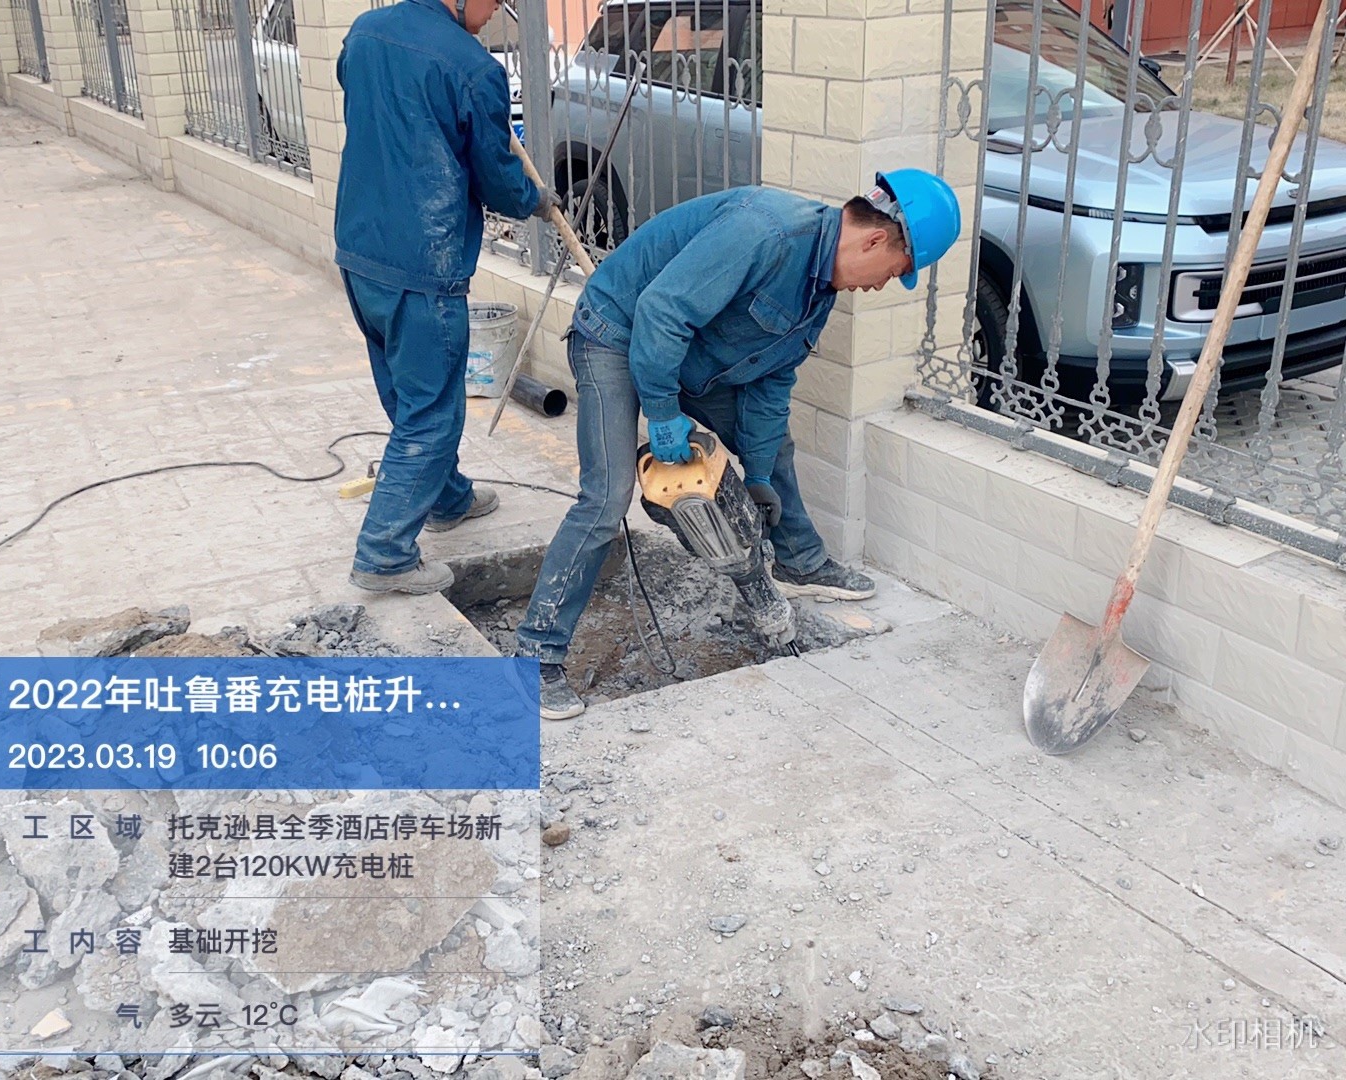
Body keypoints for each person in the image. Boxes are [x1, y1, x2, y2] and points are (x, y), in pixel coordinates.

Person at [515, 174, 962, 719]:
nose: (881, 286)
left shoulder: (817, 291)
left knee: (774, 447)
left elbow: (769, 384)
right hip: (616, 332)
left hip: (688, 358)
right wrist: (662, 413)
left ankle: (798, 562)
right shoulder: (766, 232)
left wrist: (758, 478)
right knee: (606, 497)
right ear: (874, 241)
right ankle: (536, 654)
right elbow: (661, 312)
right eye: (893, 272)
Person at [335, 0, 559, 595]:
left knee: (406, 392)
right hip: (423, 265)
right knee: (432, 412)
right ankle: (384, 552)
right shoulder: (473, 69)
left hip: (361, 251)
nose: (495, 14)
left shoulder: (365, 34)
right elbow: (497, 181)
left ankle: (447, 498)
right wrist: (534, 199)